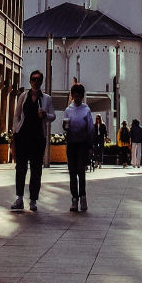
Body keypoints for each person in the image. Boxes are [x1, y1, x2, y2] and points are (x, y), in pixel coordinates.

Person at [10, 70, 55, 212]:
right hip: (23, 136)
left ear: (41, 81)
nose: (35, 82)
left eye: (38, 79)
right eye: (33, 79)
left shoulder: (46, 98)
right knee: (21, 168)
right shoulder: (23, 96)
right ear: (30, 81)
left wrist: (45, 115)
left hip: (38, 137)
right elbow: (17, 115)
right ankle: (19, 198)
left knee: (36, 169)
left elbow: (53, 115)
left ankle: (33, 200)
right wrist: (15, 131)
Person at [63, 83, 95, 212]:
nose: (76, 98)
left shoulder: (86, 110)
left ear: (82, 96)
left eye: (79, 96)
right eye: (74, 95)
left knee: (81, 172)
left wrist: (90, 146)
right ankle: (74, 198)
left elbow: (90, 129)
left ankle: (82, 196)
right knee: (72, 172)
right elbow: (65, 127)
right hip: (71, 143)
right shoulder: (68, 110)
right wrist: (65, 126)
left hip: (82, 144)